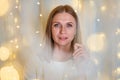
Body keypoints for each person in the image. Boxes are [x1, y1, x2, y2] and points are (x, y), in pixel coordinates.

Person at [24, 5, 97, 80]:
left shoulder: (88, 63)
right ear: (50, 29)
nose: (63, 31)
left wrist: (82, 67)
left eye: (69, 25)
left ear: (75, 30)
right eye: (57, 25)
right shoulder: (36, 61)